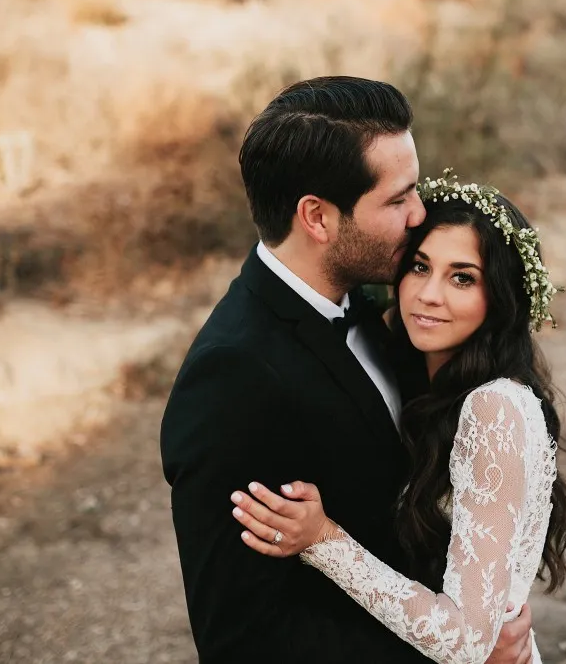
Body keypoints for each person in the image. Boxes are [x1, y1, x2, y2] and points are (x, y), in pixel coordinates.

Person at [160, 78, 535, 663]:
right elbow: (242, 639)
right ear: (317, 217)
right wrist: (454, 653)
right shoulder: (235, 375)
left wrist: (483, 613)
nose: (419, 216)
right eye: (396, 199)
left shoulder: (380, 312)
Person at [227, 172, 566, 664]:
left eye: (463, 277)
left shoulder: (493, 407)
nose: (429, 294)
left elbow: (466, 641)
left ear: (500, 296)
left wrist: (322, 539)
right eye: (420, 267)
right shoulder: (429, 386)